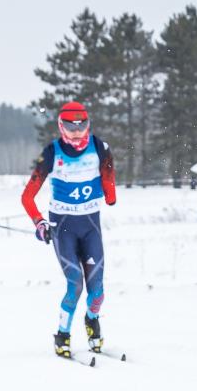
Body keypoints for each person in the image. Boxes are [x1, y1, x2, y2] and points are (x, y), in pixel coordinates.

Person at [21, 101, 116, 358]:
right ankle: (62, 335)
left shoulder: (100, 147)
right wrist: (40, 223)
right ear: (60, 126)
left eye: (82, 125)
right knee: (75, 285)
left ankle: (92, 321)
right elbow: (27, 197)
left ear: (88, 124)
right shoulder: (52, 152)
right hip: (63, 228)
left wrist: (109, 192)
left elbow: (108, 177)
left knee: (97, 291)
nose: (76, 132)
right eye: (70, 127)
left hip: (90, 226)